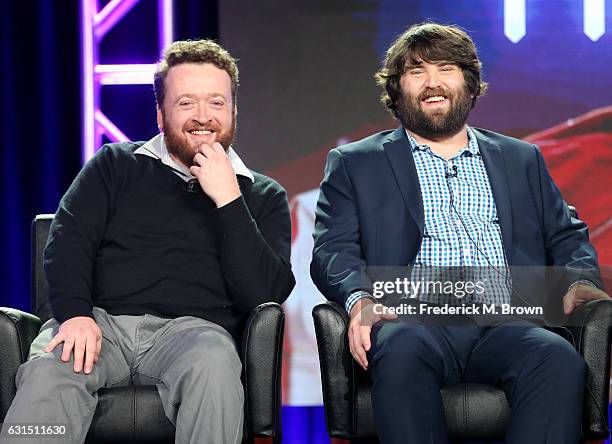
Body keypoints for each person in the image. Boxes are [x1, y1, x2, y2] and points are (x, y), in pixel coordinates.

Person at [310, 23, 609, 443]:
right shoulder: (355, 163)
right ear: (397, 90)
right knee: (401, 352)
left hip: (508, 316)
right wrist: (360, 298)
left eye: (446, 68)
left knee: (557, 358)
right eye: (416, 72)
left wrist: (579, 281)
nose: (432, 82)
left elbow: (567, 234)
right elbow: (332, 249)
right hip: (414, 317)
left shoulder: (521, 158)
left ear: (469, 84)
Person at [2, 40, 295, 444]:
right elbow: (68, 242)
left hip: (195, 335)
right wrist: (75, 314)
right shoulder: (114, 165)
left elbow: (266, 292)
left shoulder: (262, 195)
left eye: (216, 103)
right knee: (51, 369)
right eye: (186, 103)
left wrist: (229, 199)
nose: (203, 117)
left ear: (234, 112)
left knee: (214, 363)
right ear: (160, 114)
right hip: (99, 323)